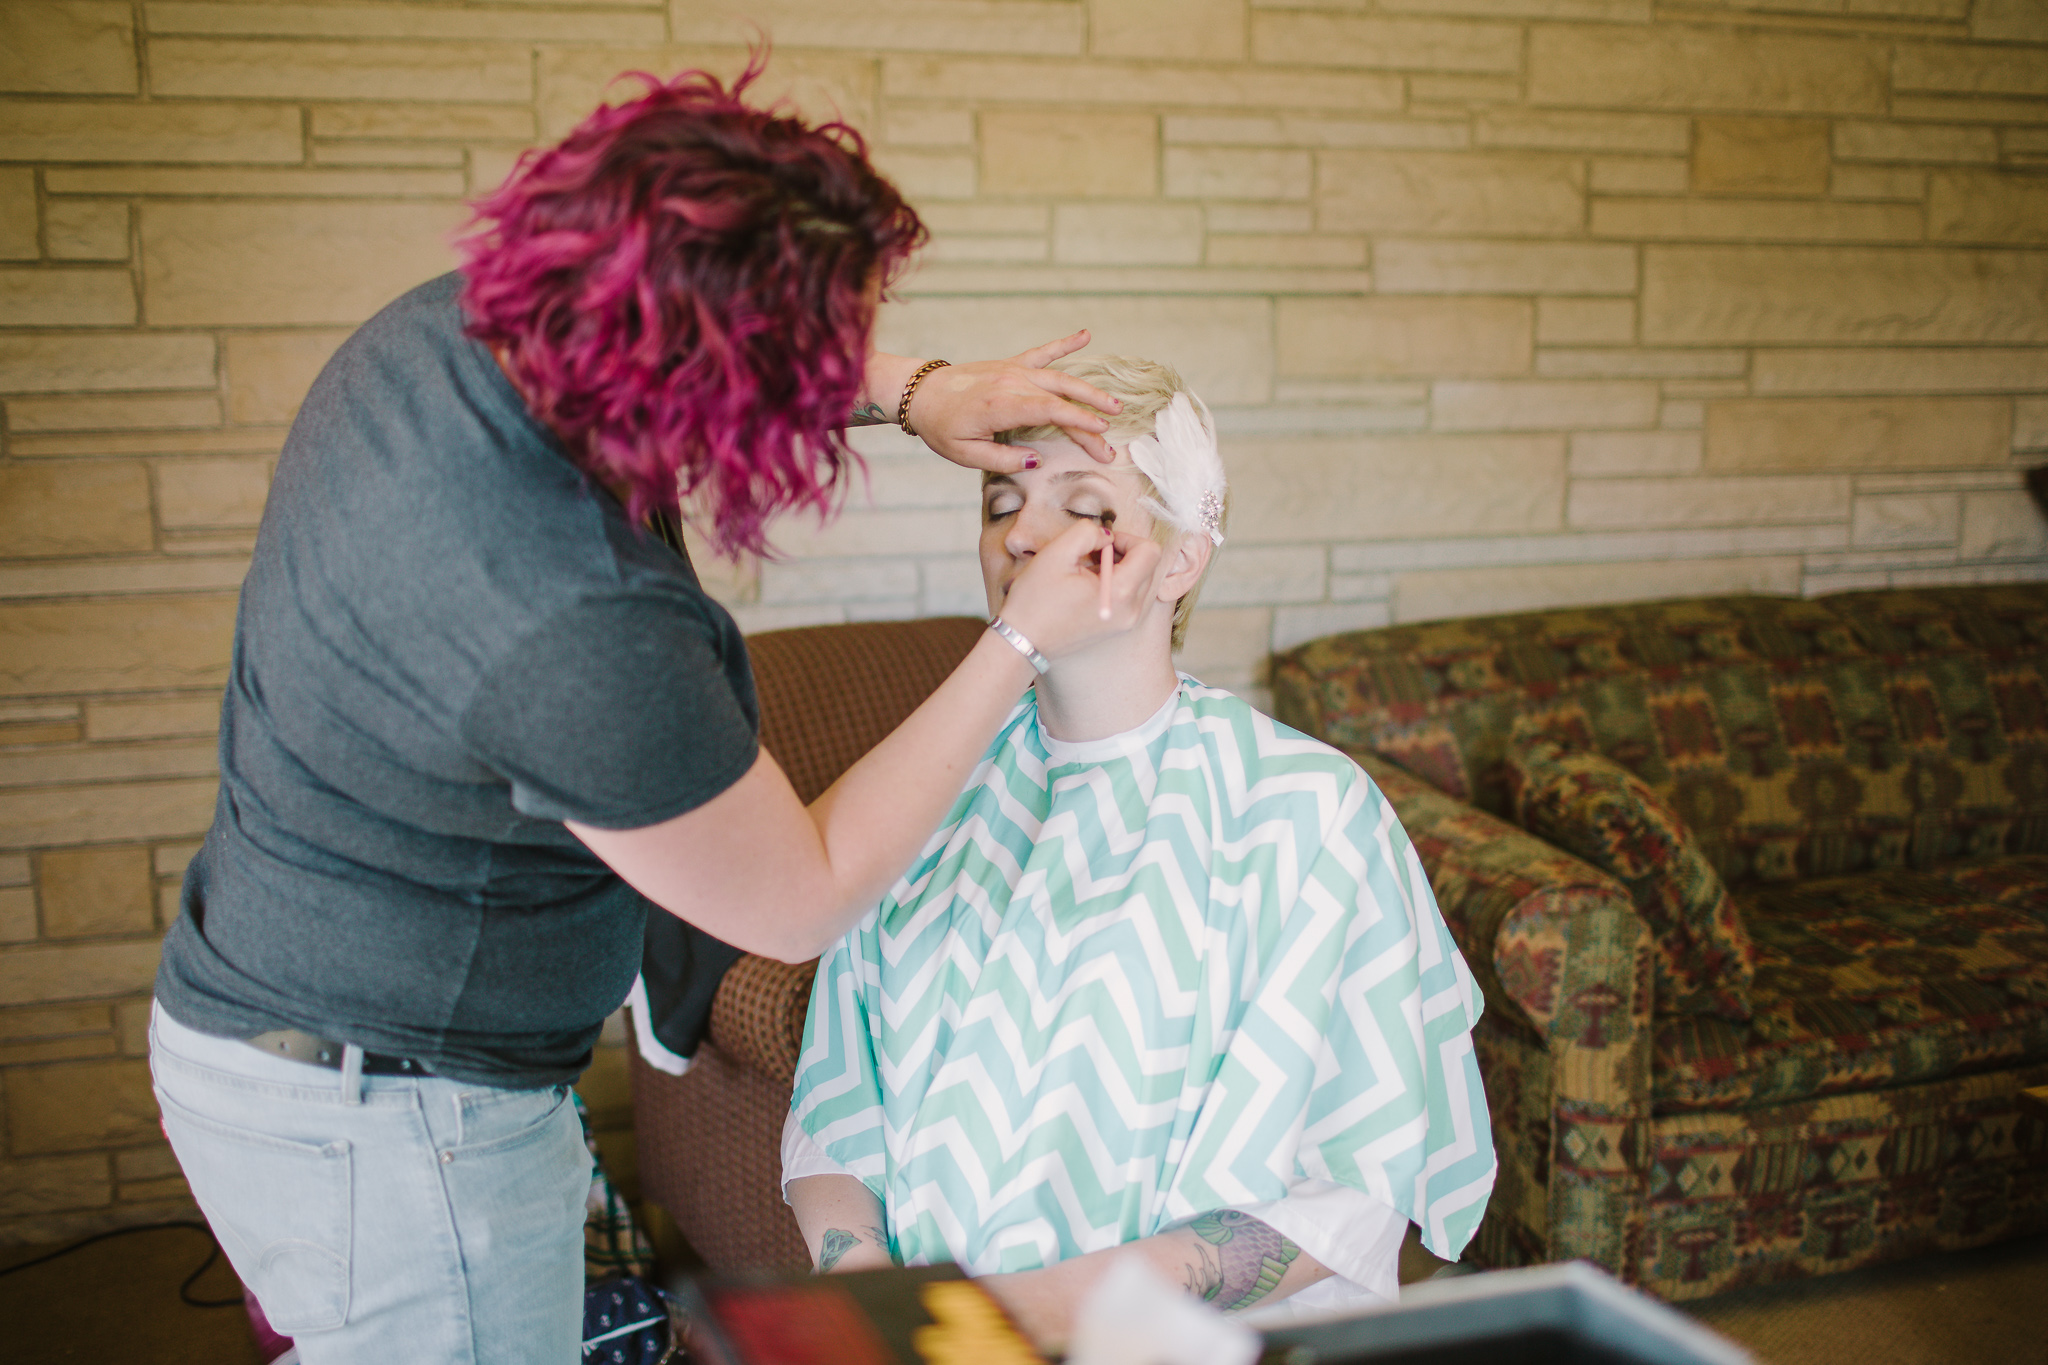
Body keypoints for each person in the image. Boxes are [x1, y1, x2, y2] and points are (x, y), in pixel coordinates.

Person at [147, 63, 1164, 1365]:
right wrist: (1020, 636)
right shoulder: (565, 620)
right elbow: (796, 900)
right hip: (384, 1118)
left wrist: (920, 389)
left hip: (287, 1011)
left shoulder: (457, 329)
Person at [782, 357, 1496, 1350]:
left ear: (1179, 559)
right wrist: (863, 1286)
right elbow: (832, 1105)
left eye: (1082, 507)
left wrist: (1054, 1309)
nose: (1021, 536)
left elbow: (1356, 1189)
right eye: (999, 502)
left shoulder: (1307, 812)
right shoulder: (926, 797)